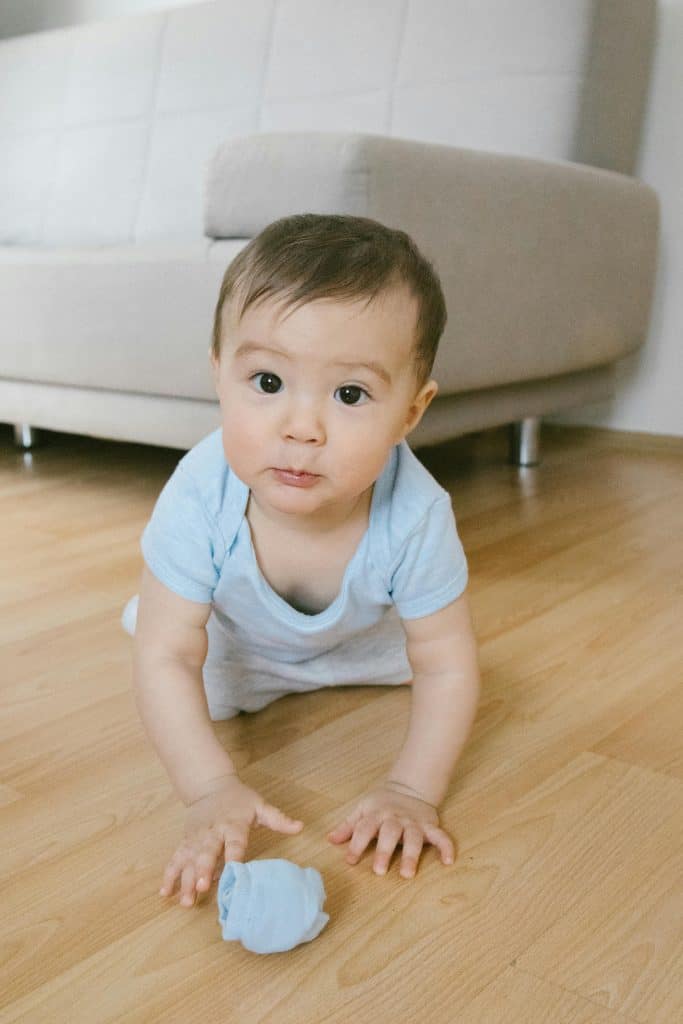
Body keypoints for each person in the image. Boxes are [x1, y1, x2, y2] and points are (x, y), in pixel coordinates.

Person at [127, 213, 480, 908]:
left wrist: (411, 790)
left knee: (433, 659)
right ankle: (170, 601)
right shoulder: (199, 494)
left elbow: (445, 661)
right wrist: (209, 788)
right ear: (219, 375)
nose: (300, 427)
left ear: (410, 411)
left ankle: (319, 666)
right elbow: (168, 656)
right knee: (170, 653)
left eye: (349, 394)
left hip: (359, 645)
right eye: (265, 382)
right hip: (235, 645)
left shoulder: (415, 513)